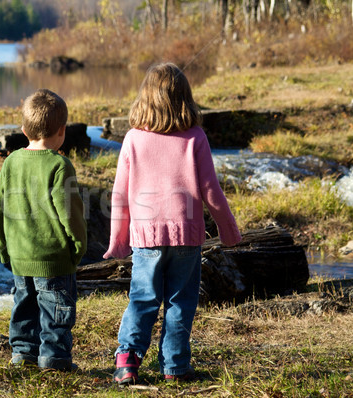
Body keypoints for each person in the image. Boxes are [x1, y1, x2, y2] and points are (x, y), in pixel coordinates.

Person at [104, 63, 242, 384]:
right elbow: (212, 191)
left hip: (146, 238)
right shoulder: (195, 138)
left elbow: (120, 194)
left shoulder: (134, 139)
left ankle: (127, 361)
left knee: (142, 298)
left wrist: (118, 239)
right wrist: (229, 231)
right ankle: (175, 367)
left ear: (145, 99)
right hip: (187, 238)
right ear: (185, 99)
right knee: (180, 302)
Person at [0, 88, 87, 372]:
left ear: (23, 130)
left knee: (24, 307)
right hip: (55, 259)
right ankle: (54, 358)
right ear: (62, 131)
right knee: (55, 311)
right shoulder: (60, 165)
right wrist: (78, 247)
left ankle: (23, 354)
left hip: (20, 256)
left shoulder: (11, 162)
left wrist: (3, 248)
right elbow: (71, 213)